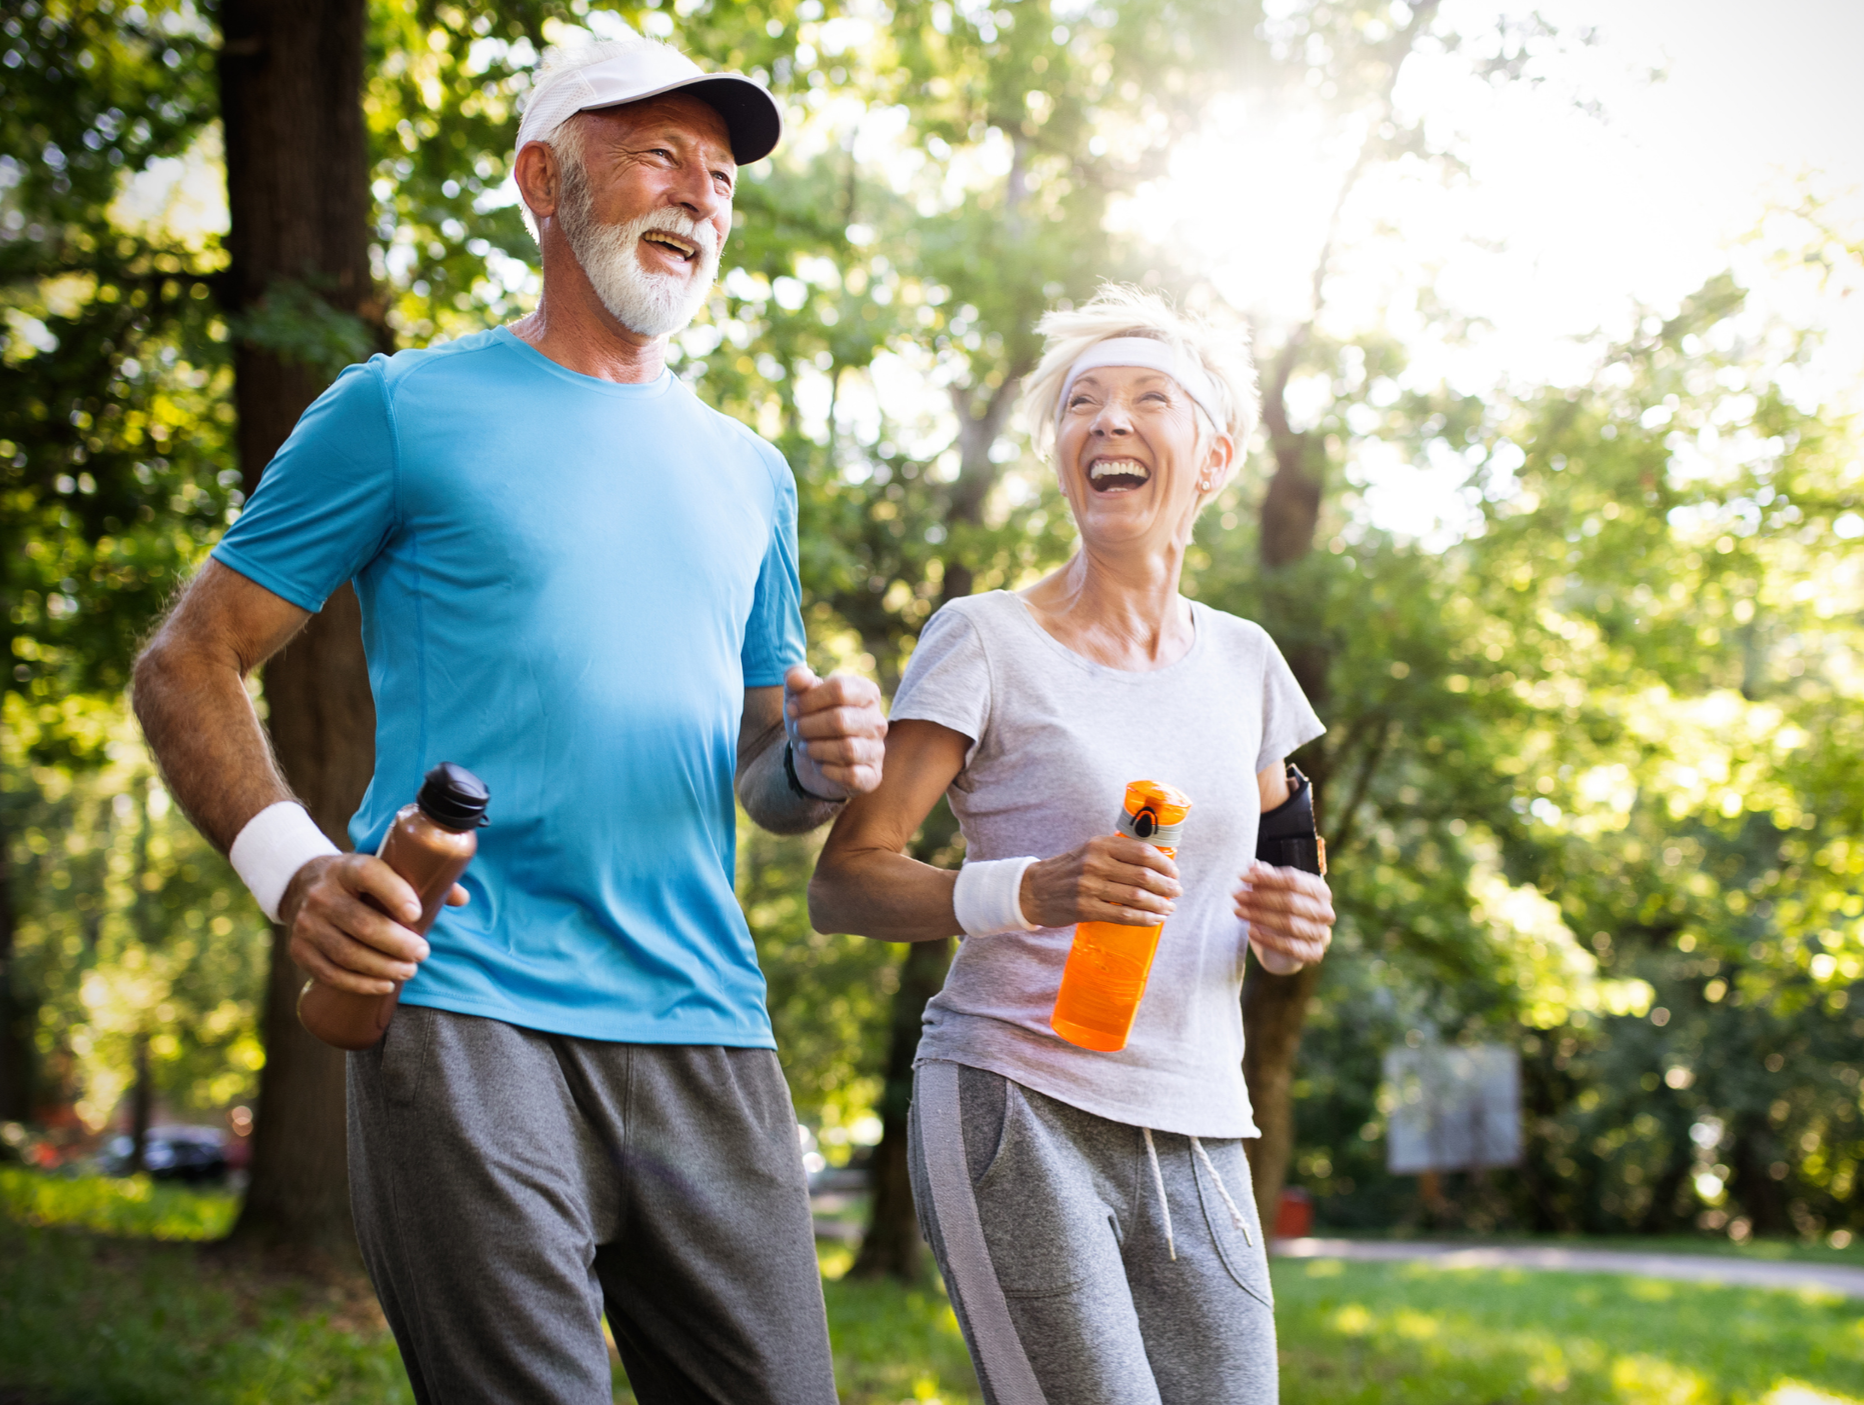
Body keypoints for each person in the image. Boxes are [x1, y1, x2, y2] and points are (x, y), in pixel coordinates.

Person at [132, 35, 884, 1405]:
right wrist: (295, 872)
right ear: (547, 181)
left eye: (720, 179)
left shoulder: (752, 476)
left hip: (707, 1025)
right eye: (658, 155)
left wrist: (815, 767)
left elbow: (765, 773)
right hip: (470, 1009)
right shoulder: (401, 410)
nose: (700, 199)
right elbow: (189, 660)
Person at [810, 286, 1337, 1404]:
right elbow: (846, 880)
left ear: (1214, 456)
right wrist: (1032, 890)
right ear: (1061, 455)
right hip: (1018, 1097)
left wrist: (1299, 926)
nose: (1108, 421)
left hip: (1200, 1122)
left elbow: (1289, 855)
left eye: (1151, 398)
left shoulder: (1248, 665)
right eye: (1081, 404)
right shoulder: (983, 639)